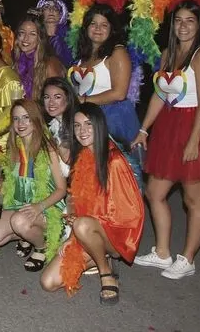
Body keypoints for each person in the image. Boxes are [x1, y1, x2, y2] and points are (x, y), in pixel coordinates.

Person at [132, 0, 200, 279]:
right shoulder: (167, 55)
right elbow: (160, 96)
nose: (183, 26)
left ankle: (188, 259)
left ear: (199, 26)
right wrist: (144, 129)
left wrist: (194, 141)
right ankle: (162, 253)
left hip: (196, 128)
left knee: (193, 200)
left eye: (190, 21)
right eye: (178, 20)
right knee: (155, 193)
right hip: (169, 128)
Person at [39, 103, 144, 305]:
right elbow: (76, 202)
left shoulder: (114, 161)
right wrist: (71, 237)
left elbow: (127, 215)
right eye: (77, 126)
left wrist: (82, 226)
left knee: (83, 224)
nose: (82, 130)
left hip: (115, 234)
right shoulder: (82, 157)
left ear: (99, 126)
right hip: (85, 231)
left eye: (88, 124)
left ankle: (106, 272)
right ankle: (96, 257)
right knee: (48, 282)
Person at [0, 99, 67, 272]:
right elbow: (13, 184)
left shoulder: (47, 148)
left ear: (35, 120)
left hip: (47, 208)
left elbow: (62, 189)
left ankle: (41, 246)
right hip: (19, 206)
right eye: (16, 118)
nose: (21, 123)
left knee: (19, 221)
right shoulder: (13, 149)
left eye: (26, 117)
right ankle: (27, 234)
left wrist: (38, 207)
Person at [68, 3, 139, 146]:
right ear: (86, 27)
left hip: (111, 118)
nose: (98, 29)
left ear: (112, 29)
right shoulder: (83, 56)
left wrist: (83, 100)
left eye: (104, 25)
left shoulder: (117, 52)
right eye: (93, 23)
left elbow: (119, 93)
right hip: (85, 118)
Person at [13, 13, 64, 100]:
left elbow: (59, 98)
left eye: (32, 34)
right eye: (22, 33)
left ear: (40, 38)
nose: (25, 38)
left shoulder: (49, 64)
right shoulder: (15, 63)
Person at [36, 0, 73, 66]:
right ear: (40, 12)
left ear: (61, 14)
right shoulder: (33, 35)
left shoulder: (70, 38)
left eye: (56, 7)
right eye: (46, 7)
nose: (51, 10)